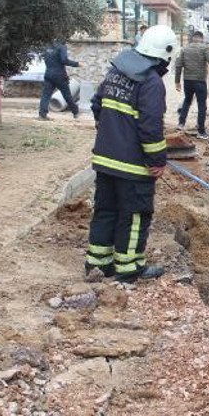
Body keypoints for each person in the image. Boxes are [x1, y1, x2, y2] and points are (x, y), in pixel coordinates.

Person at [85, 25, 177, 283]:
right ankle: (128, 269)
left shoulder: (116, 72)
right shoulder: (151, 82)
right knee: (135, 216)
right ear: (165, 54)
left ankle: (98, 264)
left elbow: (96, 105)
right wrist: (157, 161)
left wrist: (109, 132)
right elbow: (150, 127)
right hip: (133, 168)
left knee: (105, 210)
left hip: (104, 161)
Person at [174, 31, 209, 138]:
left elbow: (178, 65)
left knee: (187, 100)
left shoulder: (184, 49)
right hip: (200, 81)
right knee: (202, 106)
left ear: (193, 38)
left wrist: (177, 82)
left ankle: (181, 123)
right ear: (201, 38)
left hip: (187, 81)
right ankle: (201, 131)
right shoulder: (204, 48)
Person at [38, 41, 82, 120]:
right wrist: (77, 64)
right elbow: (64, 60)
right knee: (67, 95)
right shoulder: (61, 47)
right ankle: (75, 112)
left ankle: (42, 114)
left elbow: (45, 59)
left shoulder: (47, 46)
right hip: (59, 75)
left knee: (46, 95)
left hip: (48, 73)